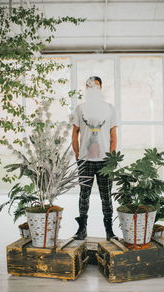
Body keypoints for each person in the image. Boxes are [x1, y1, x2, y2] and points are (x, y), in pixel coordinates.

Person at [71, 76, 118, 241]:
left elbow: (113, 135)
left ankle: (109, 231)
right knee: (84, 195)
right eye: (90, 86)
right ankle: (82, 229)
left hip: (105, 161)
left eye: (96, 86)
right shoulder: (80, 109)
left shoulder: (110, 108)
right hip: (85, 160)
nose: (93, 89)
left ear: (100, 88)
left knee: (106, 195)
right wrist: (78, 154)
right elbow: (74, 133)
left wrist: (112, 158)